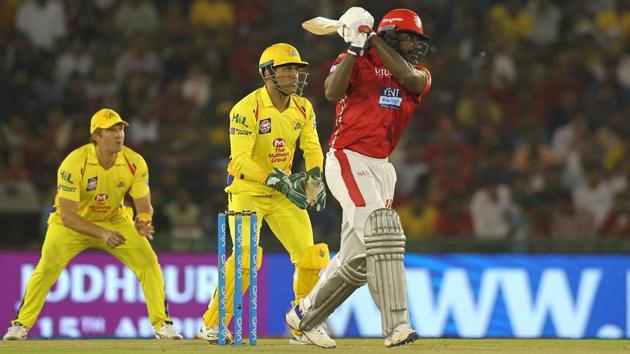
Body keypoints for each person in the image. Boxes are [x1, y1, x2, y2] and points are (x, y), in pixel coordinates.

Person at [285, 7, 432, 348]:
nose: (416, 45)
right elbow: (332, 92)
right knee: (384, 232)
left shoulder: (419, 73)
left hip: (382, 168)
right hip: (348, 157)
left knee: (358, 260)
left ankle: (304, 315)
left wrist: (373, 39)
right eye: (410, 36)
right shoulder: (356, 59)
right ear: (394, 34)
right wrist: (354, 47)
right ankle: (397, 325)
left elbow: (408, 79)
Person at [2, 109, 183, 340]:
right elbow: (68, 215)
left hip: (115, 219)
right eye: (111, 130)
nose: (119, 135)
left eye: (121, 129)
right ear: (96, 136)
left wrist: (143, 221)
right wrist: (102, 233)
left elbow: (145, 206)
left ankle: (162, 325)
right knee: (46, 269)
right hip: (71, 223)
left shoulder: (134, 162)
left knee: (149, 263)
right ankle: (20, 326)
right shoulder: (74, 163)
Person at [196, 43, 330, 345]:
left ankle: (304, 324)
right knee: (246, 259)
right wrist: (274, 179)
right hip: (247, 191)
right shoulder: (246, 109)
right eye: (286, 69)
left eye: (296, 69)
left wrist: (315, 180)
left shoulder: (303, 108)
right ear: (267, 73)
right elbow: (240, 160)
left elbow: (312, 149)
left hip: (283, 193)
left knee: (312, 257)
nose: (294, 75)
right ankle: (212, 324)